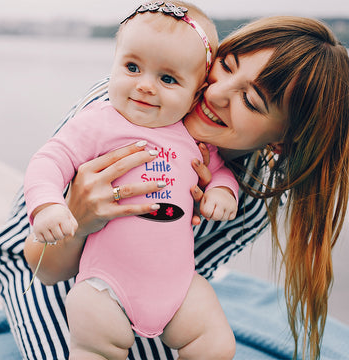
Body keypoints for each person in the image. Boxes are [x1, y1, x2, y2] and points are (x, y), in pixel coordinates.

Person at [0, 14, 349, 360]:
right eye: (226, 65)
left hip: (142, 288)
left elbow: (176, 288)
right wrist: (79, 214)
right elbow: (45, 268)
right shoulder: (128, 101)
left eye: (251, 101)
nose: (216, 94)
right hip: (40, 262)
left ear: (281, 142)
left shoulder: (252, 198)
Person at [23, 2, 238, 359]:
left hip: (178, 286)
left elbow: (220, 171)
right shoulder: (99, 122)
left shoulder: (189, 136)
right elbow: (49, 159)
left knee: (215, 343)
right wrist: (47, 205)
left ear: (196, 93)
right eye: (132, 67)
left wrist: (222, 190)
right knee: (95, 345)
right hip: (105, 285)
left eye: (167, 79)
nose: (145, 86)